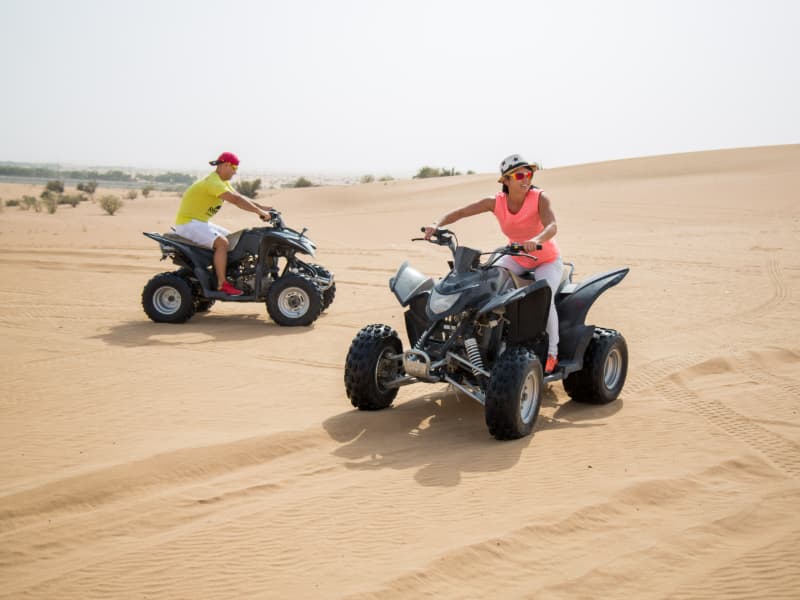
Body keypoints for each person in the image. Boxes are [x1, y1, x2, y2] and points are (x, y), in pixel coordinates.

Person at [423, 154, 563, 373]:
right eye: (519, 175)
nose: (525, 178)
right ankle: (490, 341)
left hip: (546, 260)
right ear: (506, 180)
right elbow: (461, 212)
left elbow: (552, 225)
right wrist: (436, 224)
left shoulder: (539, 198)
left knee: (546, 298)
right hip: (516, 257)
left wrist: (536, 240)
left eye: (529, 173)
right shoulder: (495, 202)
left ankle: (552, 353)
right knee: (488, 284)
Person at [174, 151, 274, 296]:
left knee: (234, 240)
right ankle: (222, 284)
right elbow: (236, 201)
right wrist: (259, 212)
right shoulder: (213, 183)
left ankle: (232, 275)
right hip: (188, 223)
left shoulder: (222, 182)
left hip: (199, 222)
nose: (235, 173)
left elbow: (240, 197)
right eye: (234, 168)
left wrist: (263, 207)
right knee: (222, 243)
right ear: (226, 165)